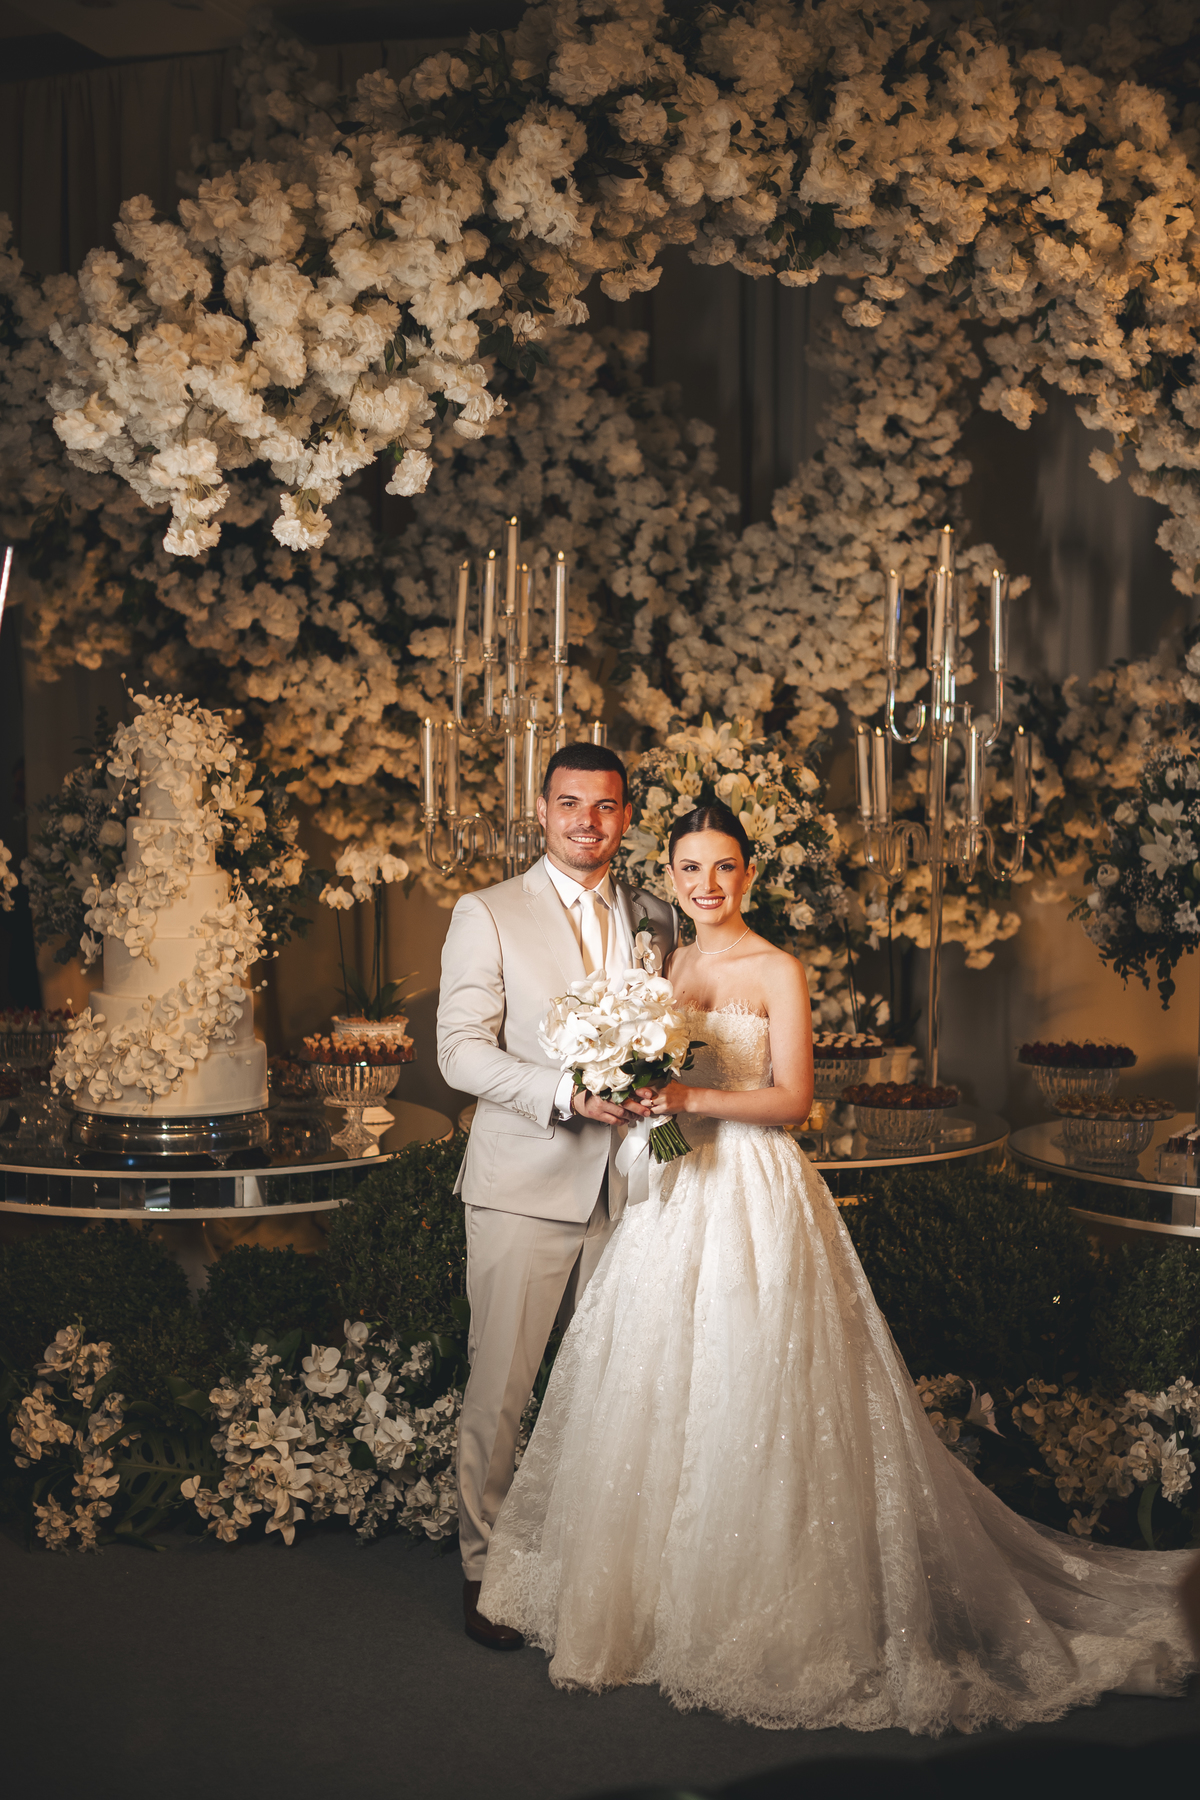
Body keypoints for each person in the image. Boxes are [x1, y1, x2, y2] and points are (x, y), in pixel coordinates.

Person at [478, 801, 1198, 1732]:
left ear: (749, 873)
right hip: (673, 1189)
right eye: (690, 868)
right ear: (671, 878)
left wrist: (689, 1096)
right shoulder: (667, 965)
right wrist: (635, 1089)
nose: (706, 885)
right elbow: (646, 1068)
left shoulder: (776, 967)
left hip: (750, 1188)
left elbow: (795, 1102)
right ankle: (659, 1594)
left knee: (757, 1378)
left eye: (724, 867)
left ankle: (758, 1601)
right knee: (661, 1381)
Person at [436, 742, 676, 1650]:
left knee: (611, 1390)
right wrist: (565, 1093)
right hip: (524, 1186)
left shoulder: (657, 914)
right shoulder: (488, 912)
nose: (588, 821)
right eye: (570, 803)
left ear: (626, 818)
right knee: (501, 1389)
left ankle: (588, 1564)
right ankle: (483, 1571)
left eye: (606, 806)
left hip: (634, 1190)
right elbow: (459, 1051)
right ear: (541, 810)